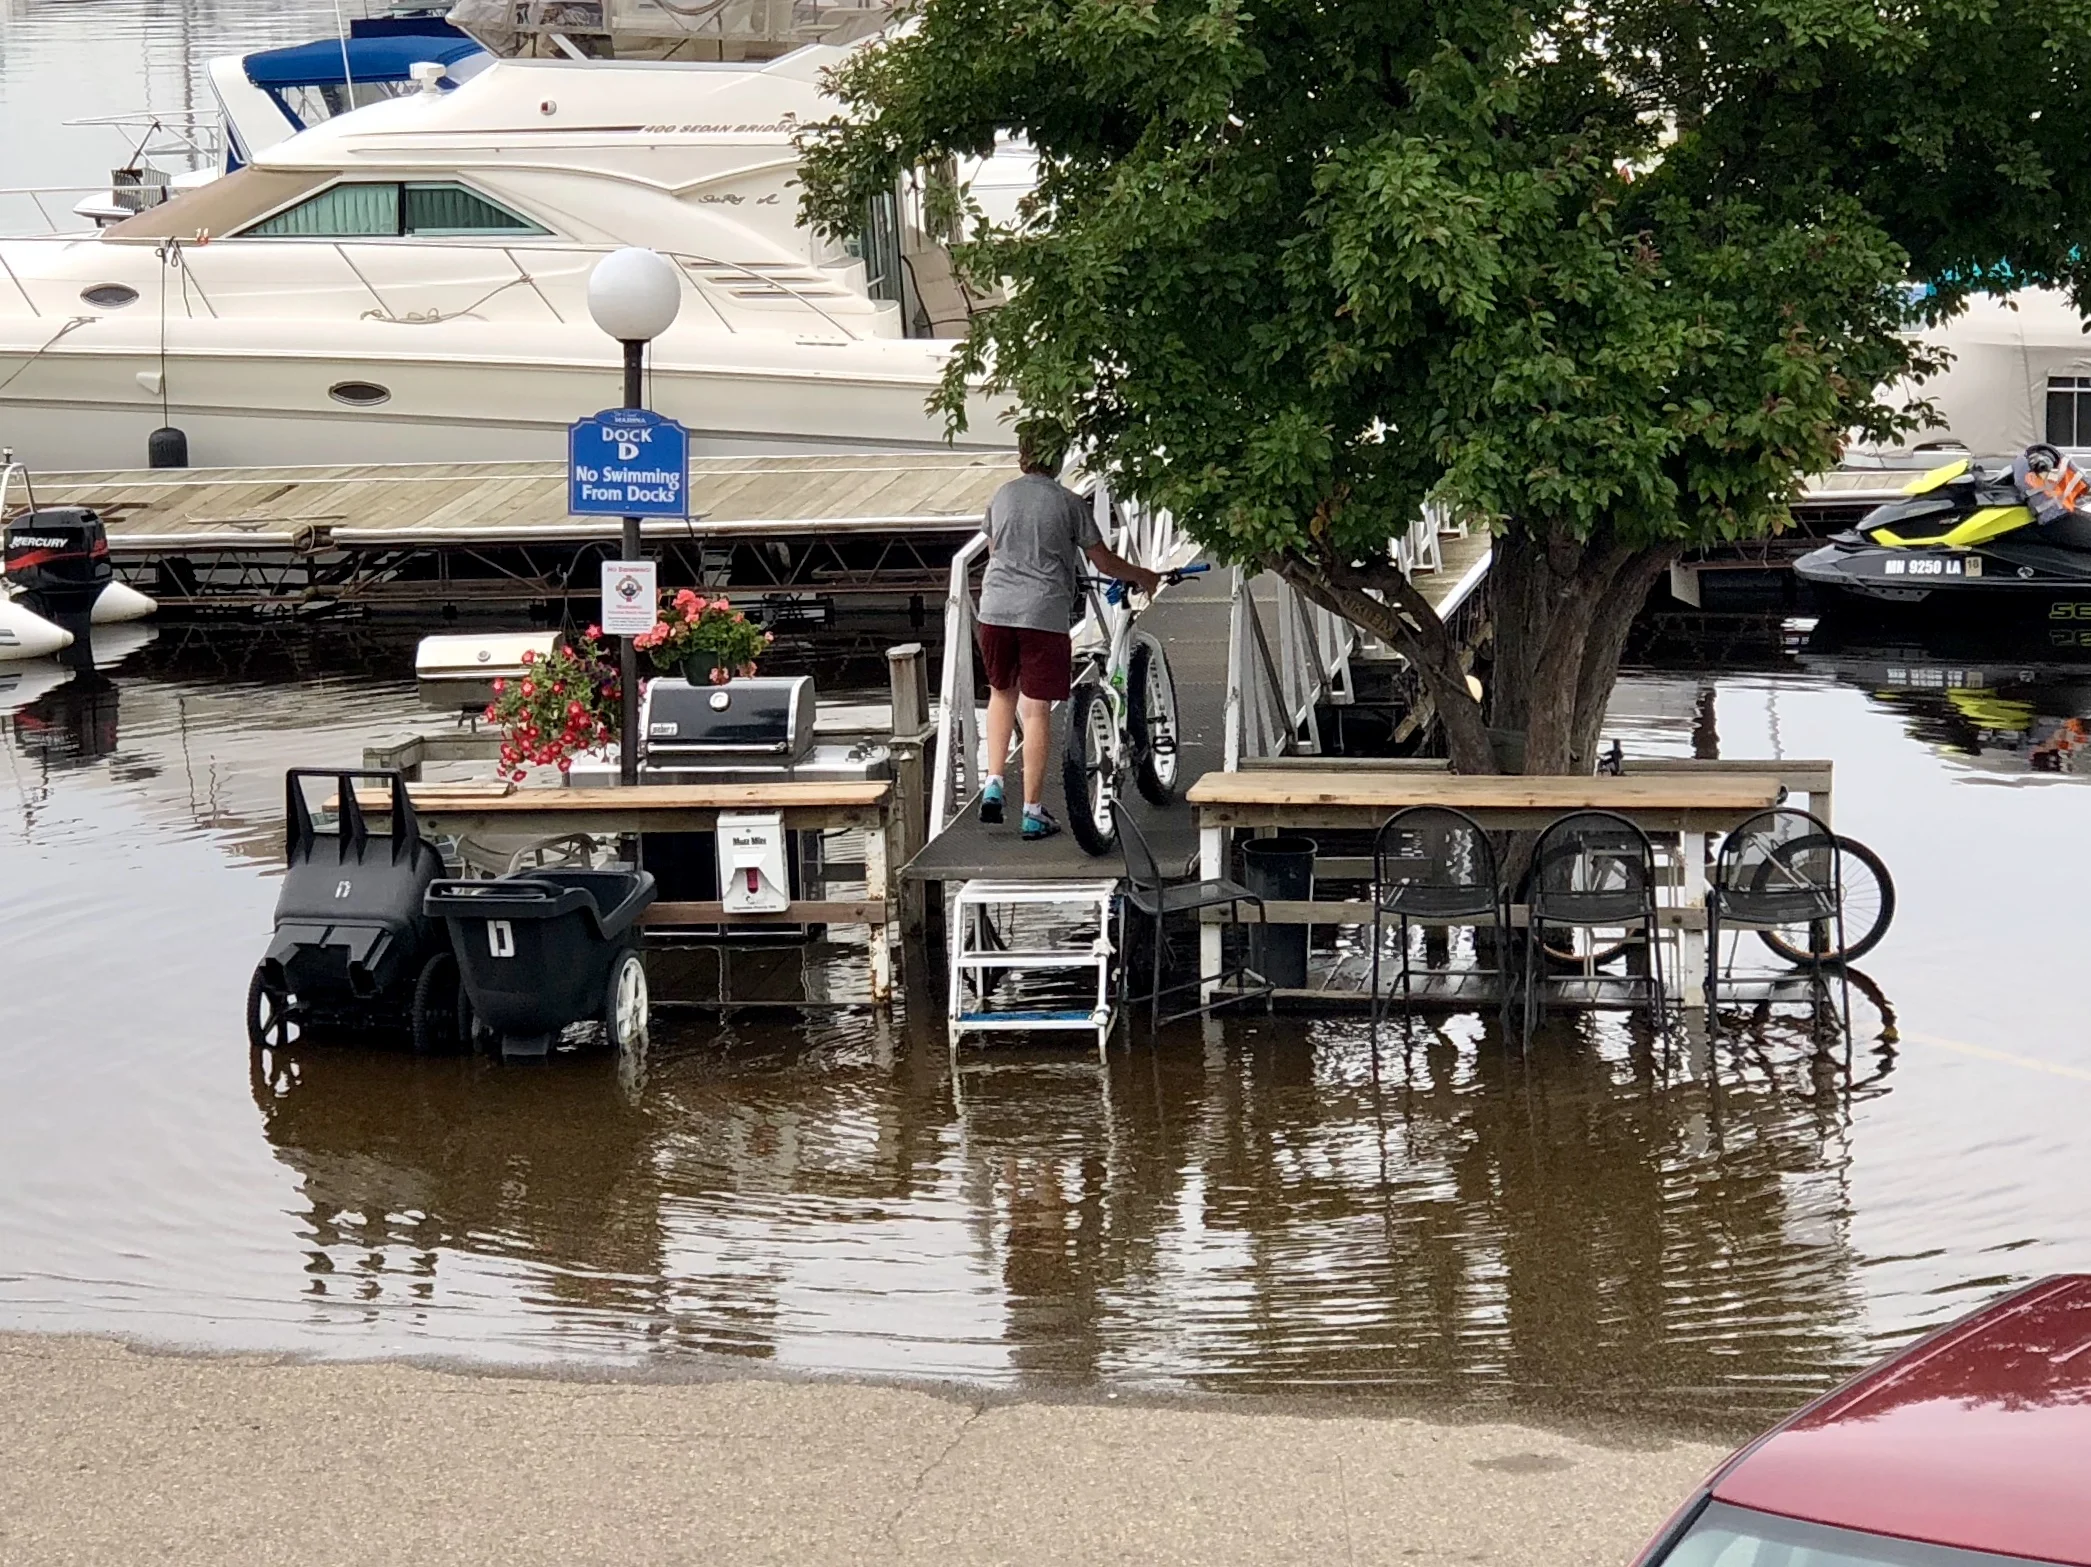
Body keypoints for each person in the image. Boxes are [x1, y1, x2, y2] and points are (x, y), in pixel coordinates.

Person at [976, 425, 1160, 840]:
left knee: (1001, 692)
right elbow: (1105, 562)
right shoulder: (1069, 502)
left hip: (994, 610)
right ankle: (1032, 811)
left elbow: (995, 552)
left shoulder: (1003, 495)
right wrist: (1143, 575)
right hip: (1042, 612)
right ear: (1059, 458)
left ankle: (993, 782)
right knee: (1036, 708)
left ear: (1022, 455)